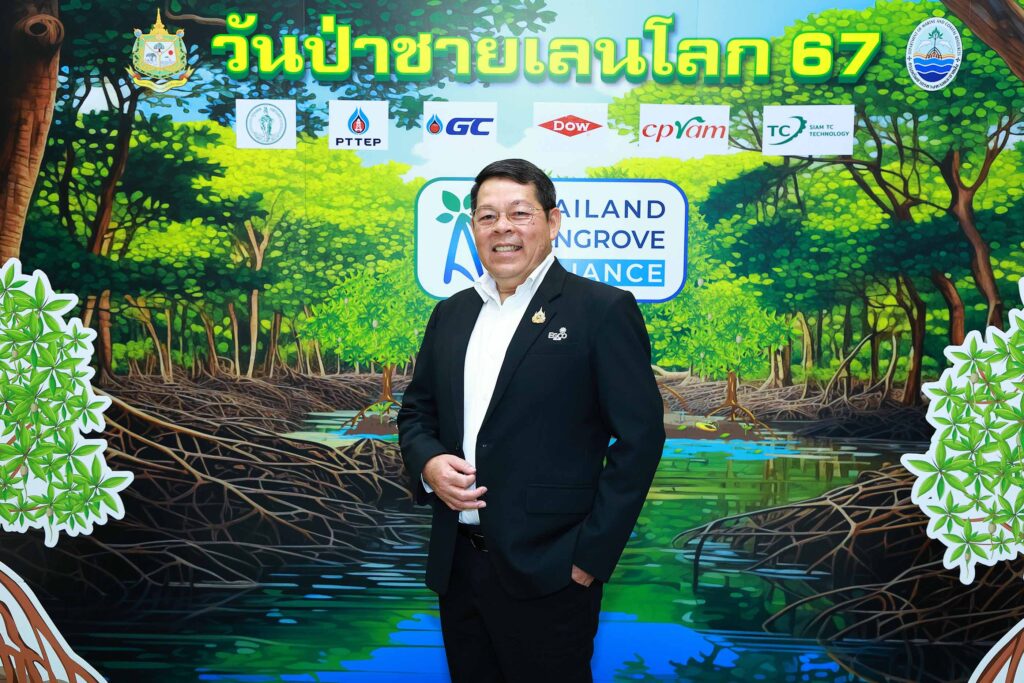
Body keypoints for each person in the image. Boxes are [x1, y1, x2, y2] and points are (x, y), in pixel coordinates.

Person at [398, 158, 665, 683]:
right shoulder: (451, 314)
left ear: (553, 221)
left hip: (553, 572)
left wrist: (588, 559)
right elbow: (416, 412)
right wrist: (428, 464)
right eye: (487, 216)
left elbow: (641, 438)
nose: (503, 228)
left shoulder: (601, 310)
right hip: (459, 567)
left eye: (520, 213)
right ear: (473, 227)